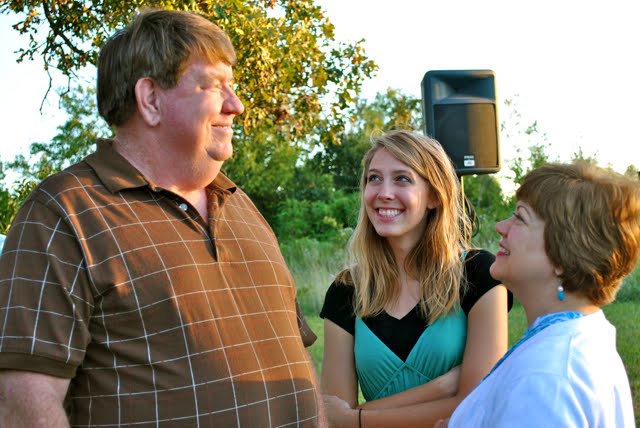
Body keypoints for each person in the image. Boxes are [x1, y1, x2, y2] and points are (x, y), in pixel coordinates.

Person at [0, 8, 324, 427]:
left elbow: (296, 357)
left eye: (233, 86)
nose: (236, 105)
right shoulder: (63, 213)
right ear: (150, 99)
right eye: (213, 85)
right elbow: (23, 403)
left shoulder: (241, 205)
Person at [320, 129, 512, 427]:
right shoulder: (347, 290)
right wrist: (442, 388)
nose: (383, 192)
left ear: (434, 196)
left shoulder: (478, 273)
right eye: (374, 178)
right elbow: (332, 420)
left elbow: (479, 402)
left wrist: (355, 418)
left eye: (402, 179)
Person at [443, 162, 640, 427]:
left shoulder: (547, 379)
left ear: (564, 254)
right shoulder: (574, 339)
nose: (501, 226)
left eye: (520, 217)